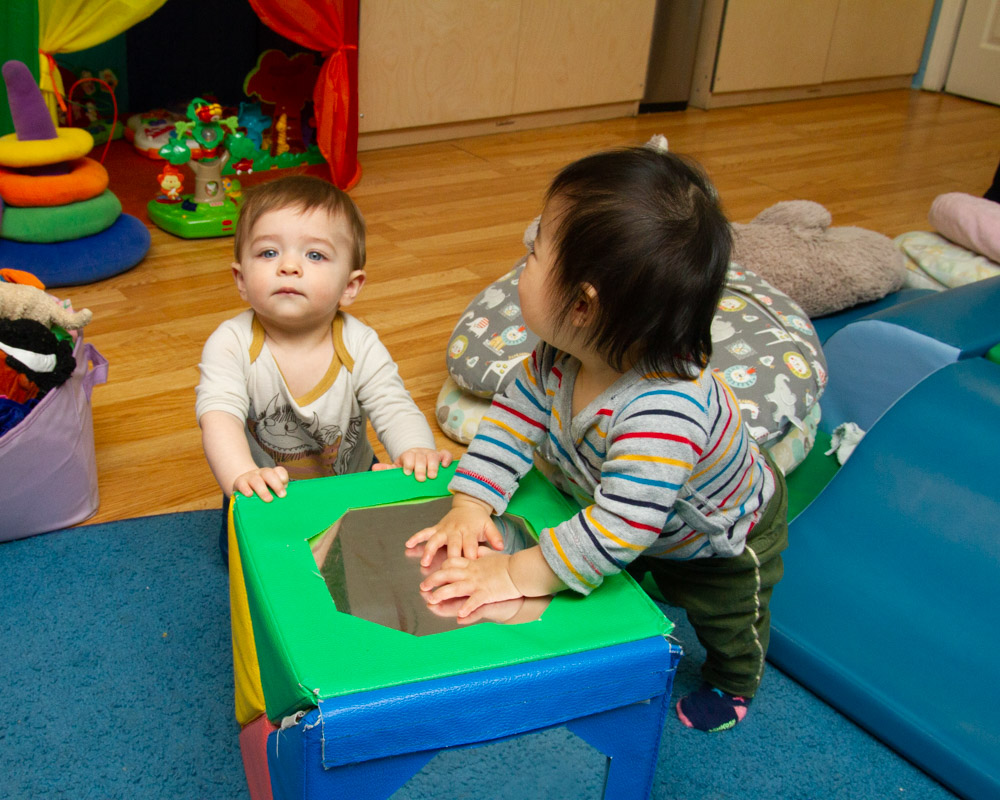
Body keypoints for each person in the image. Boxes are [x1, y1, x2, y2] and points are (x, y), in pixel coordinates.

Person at [407, 144, 788, 733]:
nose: (521, 259)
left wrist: (512, 573)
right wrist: (472, 502)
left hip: (721, 533)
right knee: (613, 578)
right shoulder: (559, 355)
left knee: (728, 616)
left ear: (583, 304)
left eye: (535, 252)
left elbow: (617, 530)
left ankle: (735, 681)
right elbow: (511, 418)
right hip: (639, 515)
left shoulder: (662, 412)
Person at [196, 175, 451, 550]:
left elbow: (393, 405)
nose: (289, 266)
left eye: (314, 255)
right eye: (268, 253)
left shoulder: (359, 343)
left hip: (350, 481)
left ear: (350, 286)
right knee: (256, 561)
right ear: (241, 280)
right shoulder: (230, 343)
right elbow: (219, 418)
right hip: (265, 488)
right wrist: (242, 475)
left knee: (371, 554)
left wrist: (414, 450)